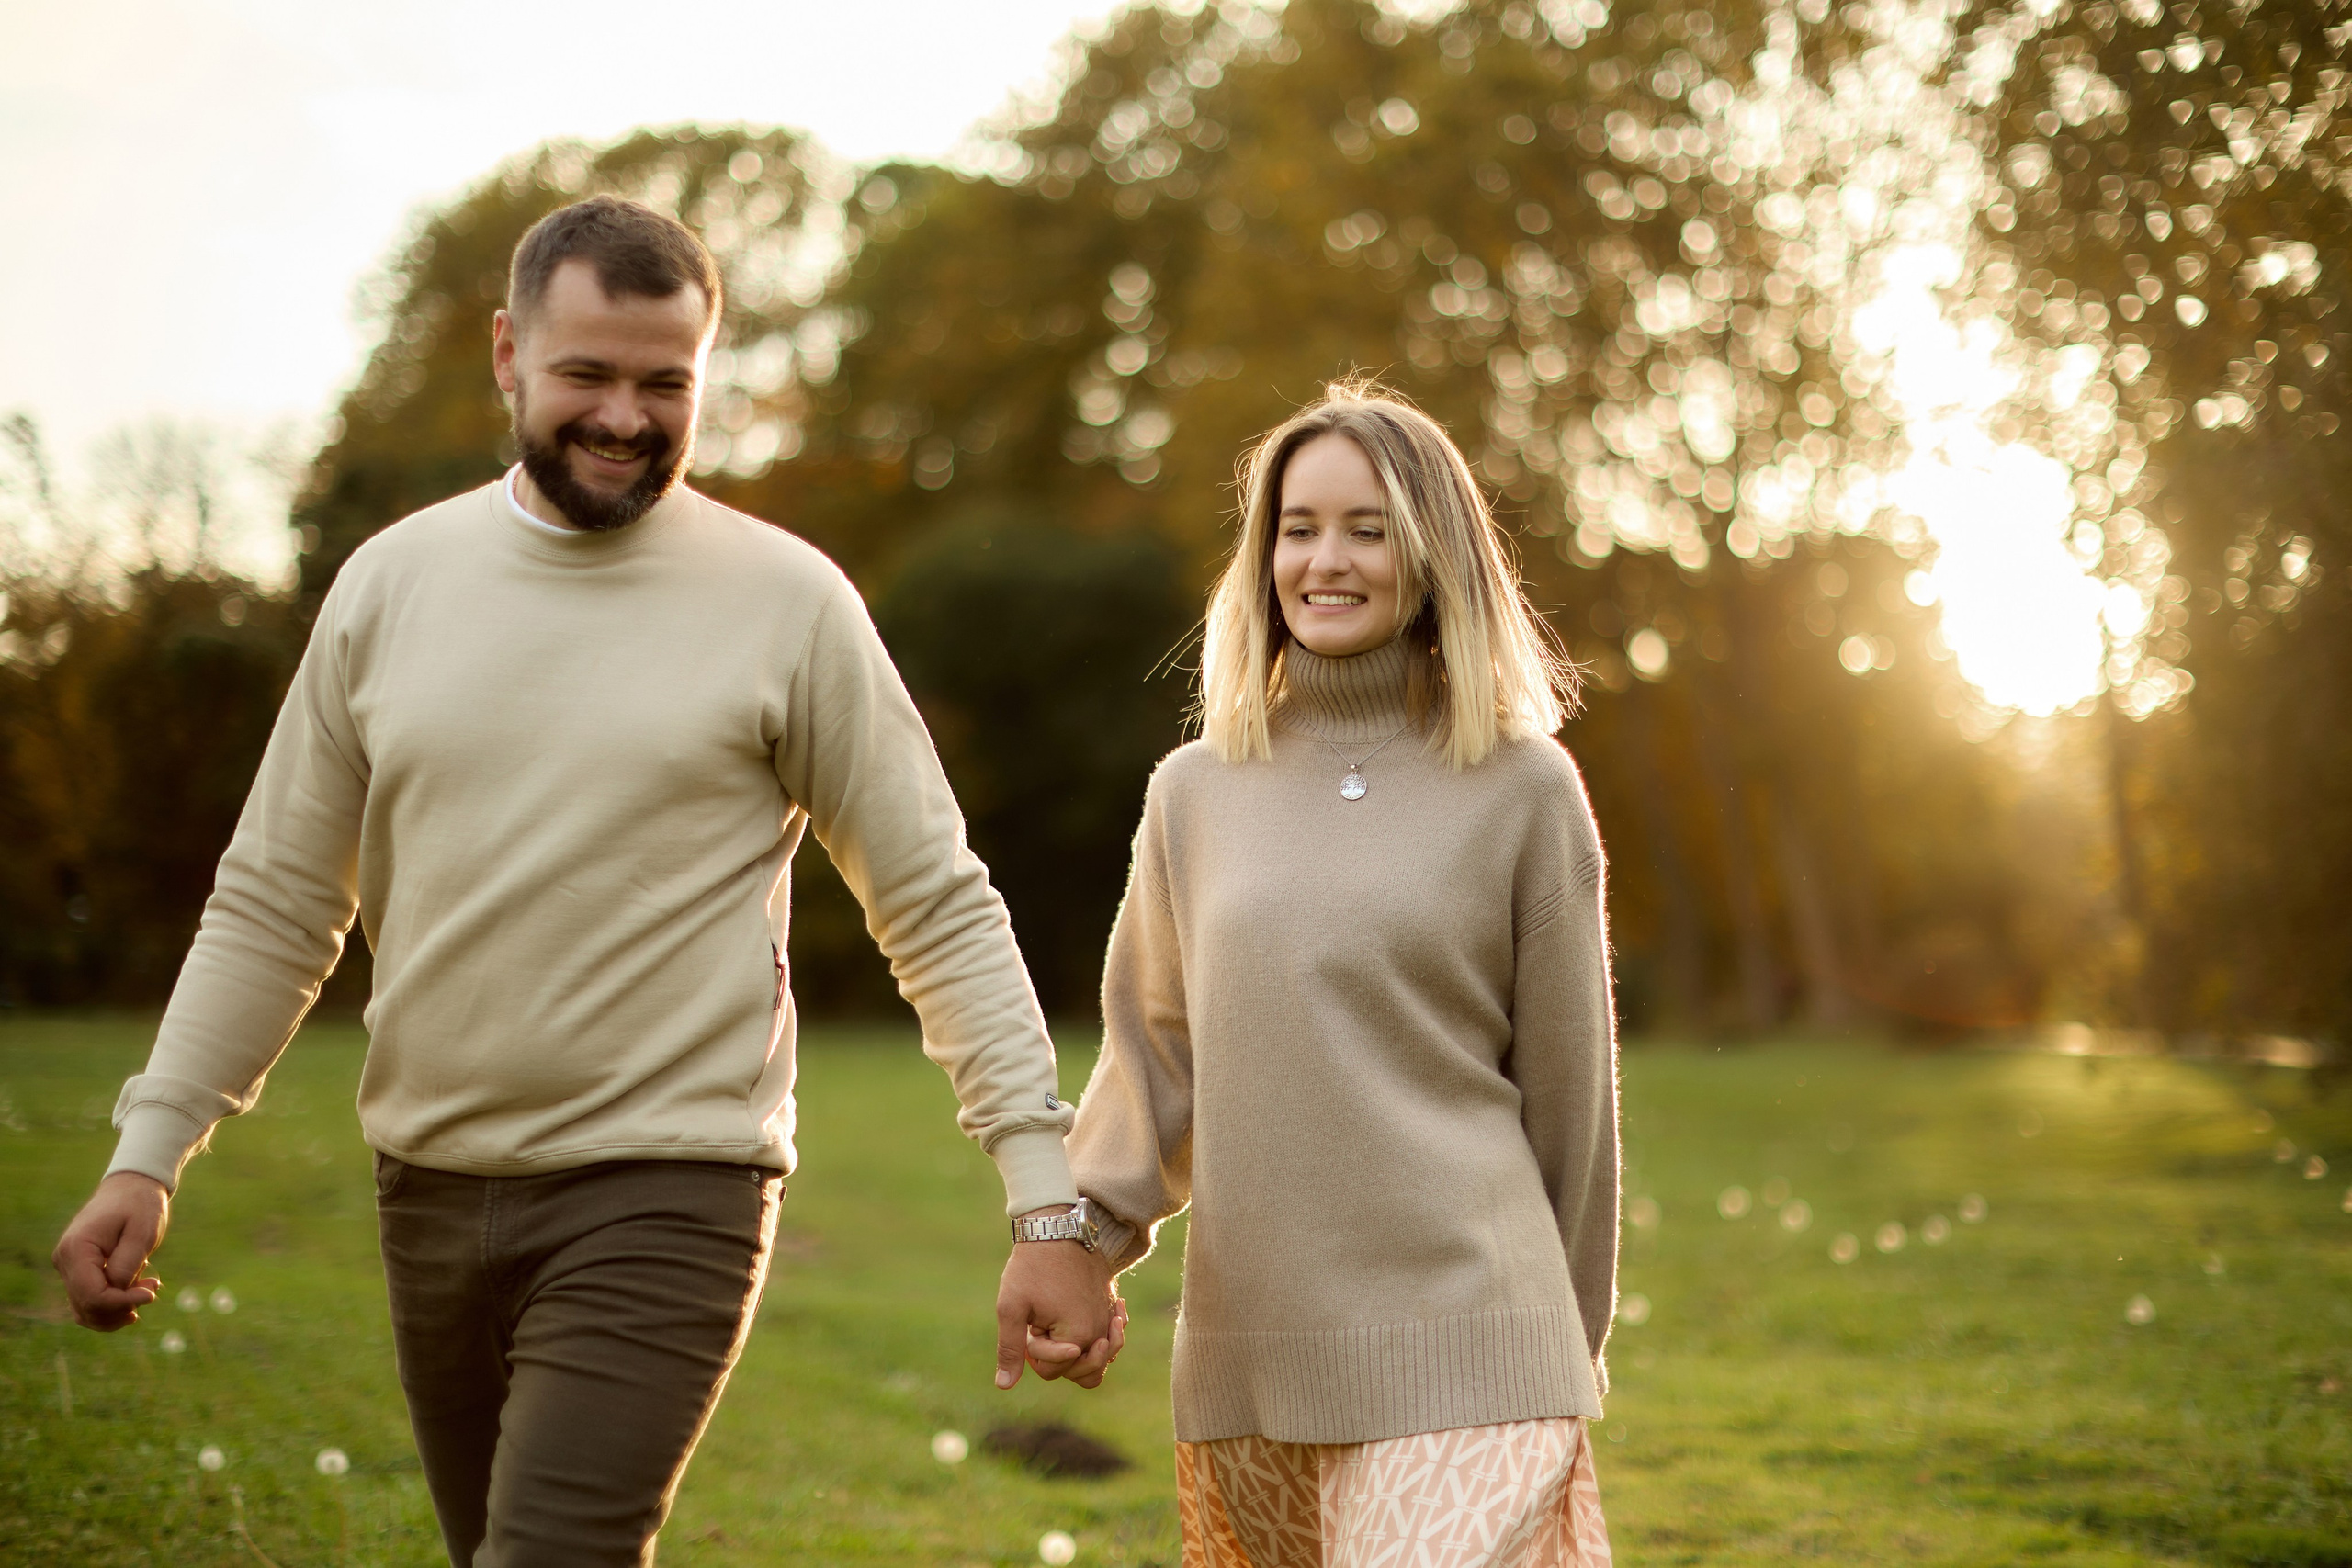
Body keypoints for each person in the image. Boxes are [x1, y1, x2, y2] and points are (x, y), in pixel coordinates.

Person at [50, 195, 1121, 1568]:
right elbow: (275, 899)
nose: (625, 417)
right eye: (588, 375)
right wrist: (152, 1150)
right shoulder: (389, 588)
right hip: (429, 1186)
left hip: (670, 1185)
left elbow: (935, 902)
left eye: (666, 383)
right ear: (508, 353)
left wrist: (1043, 1194)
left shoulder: (786, 603)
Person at [1063, 381, 1620, 1566]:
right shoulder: (1194, 794)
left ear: (1432, 555)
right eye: (1298, 528)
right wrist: (1079, 1240)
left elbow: (1573, 1101)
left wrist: (1565, 1346)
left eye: (1368, 529)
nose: (1326, 560)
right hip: (1257, 1353)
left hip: (1482, 1334)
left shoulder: (1525, 788)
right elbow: (1153, 1059)